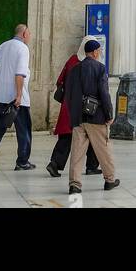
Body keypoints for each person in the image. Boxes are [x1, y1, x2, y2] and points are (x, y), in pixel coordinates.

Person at [64, 39, 120, 194]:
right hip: (96, 116)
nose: (100, 53)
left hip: (78, 118)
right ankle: (109, 180)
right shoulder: (100, 68)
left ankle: (75, 184)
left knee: (77, 151)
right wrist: (109, 113)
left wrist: (73, 114)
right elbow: (104, 93)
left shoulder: (75, 69)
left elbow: (68, 95)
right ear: (95, 52)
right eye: (99, 51)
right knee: (104, 148)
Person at [0, 24, 36, 172]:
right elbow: (20, 74)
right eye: (29, 33)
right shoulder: (23, 49)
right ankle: (22, 161)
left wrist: (0, 80)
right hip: (18, 98)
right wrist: (18, 95)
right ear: (23, 34)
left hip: (1, 95)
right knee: (23, 129)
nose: (29, 36)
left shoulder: (3, 46)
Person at [46, 45, 101, 179]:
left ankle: (55, 163)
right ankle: (91, 166)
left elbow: (60, 81)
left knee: (66, 137)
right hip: (84, 107)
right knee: (92, 134)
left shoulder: (72, 60)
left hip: (68, 105)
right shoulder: (90, 65)